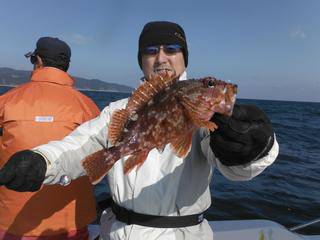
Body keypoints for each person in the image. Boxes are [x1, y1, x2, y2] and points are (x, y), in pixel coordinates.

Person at [0, 22, 279, 240]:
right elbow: (80, 143)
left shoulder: (207, 118)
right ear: (141, 59)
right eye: (151, 50)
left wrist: (253, 147)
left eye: (171, 49)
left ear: (184, 57)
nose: (161, 58)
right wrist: (42, 160)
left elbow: (236, 170)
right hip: (116, 231)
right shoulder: (119, 110)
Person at [0, 37, 100, 239]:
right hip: (70, 223)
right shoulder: (88, 107)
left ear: (38, 60)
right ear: (66, 67)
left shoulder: (5, 101)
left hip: (11, 223)